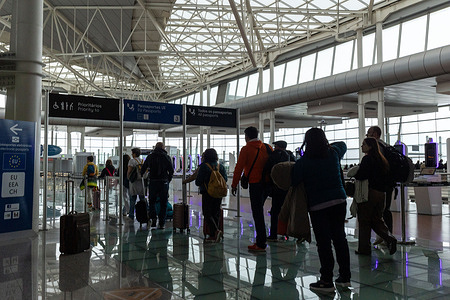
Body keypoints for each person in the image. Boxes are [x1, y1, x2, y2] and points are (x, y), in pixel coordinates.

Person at [291, 127, 351, 292]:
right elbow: (343, 144)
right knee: (340, 239)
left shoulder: (303, 162)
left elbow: (294, 180)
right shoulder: (333, 153)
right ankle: (345, 277)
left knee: (324, 243)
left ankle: (326, 280)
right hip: (339, 201)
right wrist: (327, 145)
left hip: (318, 206)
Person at [353, 137, 397, 256]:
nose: (362, 146)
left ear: (370, 146)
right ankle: (390, 238)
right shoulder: (382, 160)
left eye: (364, 144)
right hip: (381, 194)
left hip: (369, 193)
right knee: (377, 220)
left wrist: (356, 173)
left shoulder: (367, 159)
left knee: (364, 221)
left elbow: (362, 175)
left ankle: (364, 248)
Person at [231, 126, 272, 252]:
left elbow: (239, 168)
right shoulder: (267, 147)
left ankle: (260, 243)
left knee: (257, 212)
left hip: (255, 184)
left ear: (247, 137)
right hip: (267, 184)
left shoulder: (246, 149)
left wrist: (234, 185)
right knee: (260, 211)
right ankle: (262, 239)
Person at [366, 125, 394, 244]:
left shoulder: (377, 147)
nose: (367, 136)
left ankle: (385, 235)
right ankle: (387, 235)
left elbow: (376, 167)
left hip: (380, 185)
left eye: (369, 133)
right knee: (385, 209)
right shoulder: (386, 145)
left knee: (378, 210)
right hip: (389, 183)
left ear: (375, 134)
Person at [264, 140, 295, 242]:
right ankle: (290, 232)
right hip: (289, 188)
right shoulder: (291, 156)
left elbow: (267, 170)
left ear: (277, 146)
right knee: (289, 210)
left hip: (277, 188)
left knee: (275, 211)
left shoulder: (274, 156)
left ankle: (273, 234)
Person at [195, 148, 227, 243]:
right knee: (216, 213)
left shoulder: (204, 167)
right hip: (219, 193)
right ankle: (214, 234)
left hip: (207, 193)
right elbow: (225, 179)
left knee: (207, 213)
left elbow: (198, 181)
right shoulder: (220, 166)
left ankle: (215, 232)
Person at [141, 142, 174, 229]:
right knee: (164, 202)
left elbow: (143, 168)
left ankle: (153, 218)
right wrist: (168, 179)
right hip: (163, 182)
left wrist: (142, 175)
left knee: (152, 201)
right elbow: (171, 170)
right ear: (163, 148)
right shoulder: (166, 157)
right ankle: (162, 222)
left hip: (153, 181)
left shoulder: (150, 156)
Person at [127, 148, 145, 220]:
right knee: (142, 199)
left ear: (134, 153)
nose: (131, 154)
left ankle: (131, 215)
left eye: (132, 153)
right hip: (142, 182)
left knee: (132, 199)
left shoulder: (132, 161)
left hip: (134, 182)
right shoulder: (142, 161)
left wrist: (128, 177)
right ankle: (144, 214)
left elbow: (129, 171)